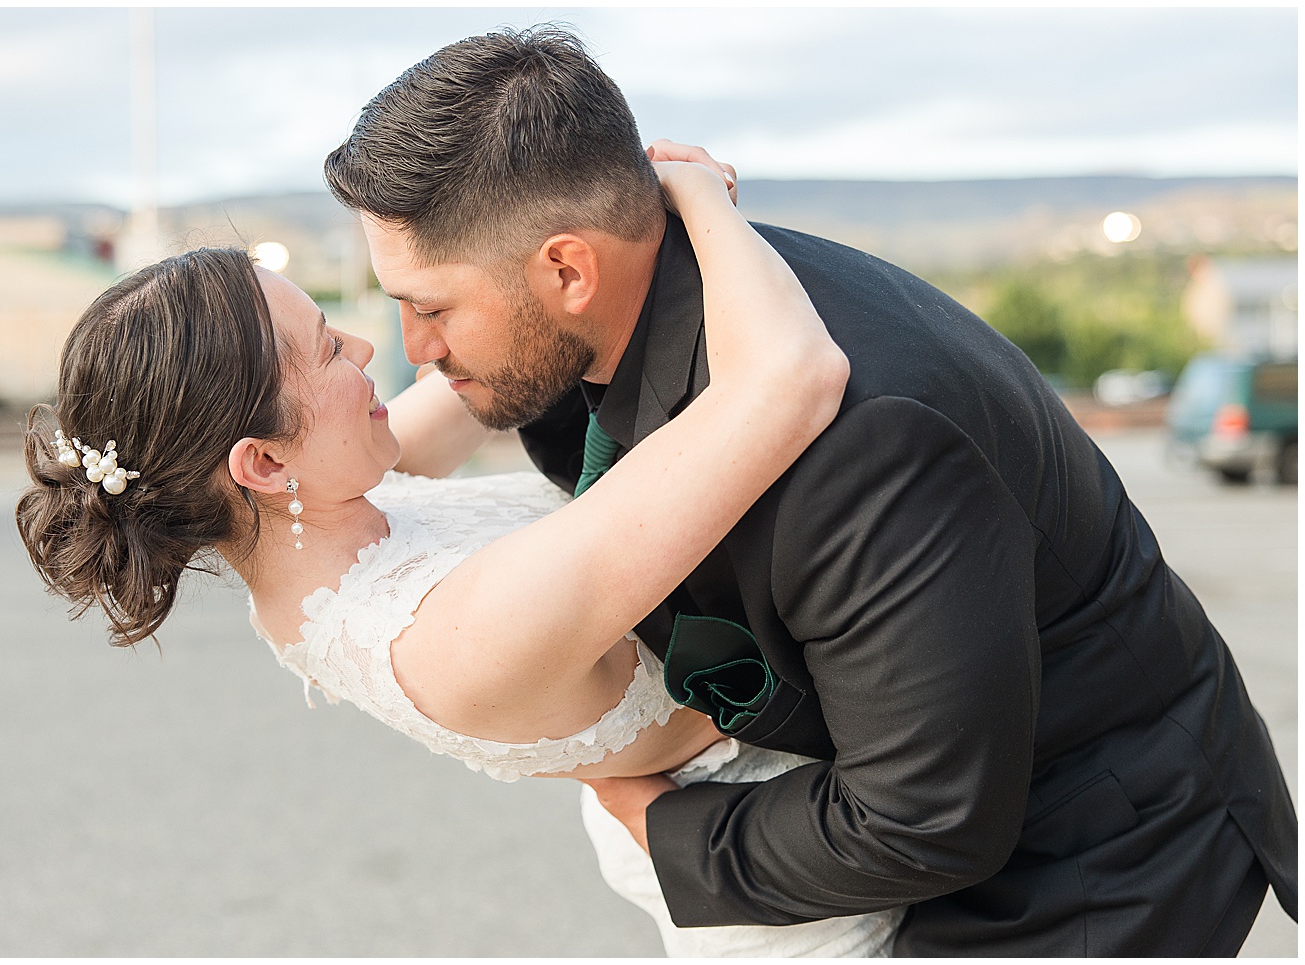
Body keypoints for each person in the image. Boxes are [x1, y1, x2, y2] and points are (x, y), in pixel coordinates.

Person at [322, 26, 1298, 957]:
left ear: (569, 267)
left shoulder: (871, 440)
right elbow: (386, 456)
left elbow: (925, 817)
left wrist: (661, 821)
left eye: (430, 306)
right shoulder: (585, 328)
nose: (420, 350)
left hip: (1089, 854)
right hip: (907, 805)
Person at [17, 158, 910, 956]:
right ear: (262, 461)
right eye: (330, 350)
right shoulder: (456, 627)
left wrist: (580, 213)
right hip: (782, 868)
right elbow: (791, 380)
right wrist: (699, 199)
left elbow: (488, 358)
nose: (377, 349)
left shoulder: (315, 520)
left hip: (740, 798)